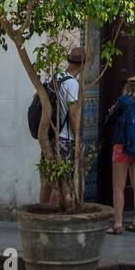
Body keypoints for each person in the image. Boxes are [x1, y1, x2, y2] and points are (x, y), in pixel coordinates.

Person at [105, 73, 135, 233]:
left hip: (122, 146)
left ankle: (118, 224)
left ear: (130, 86)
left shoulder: (123, 102)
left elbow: (109, 120)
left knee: (118, 187)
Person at [38, 45, 85, 205]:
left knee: (47, 179)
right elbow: (73, 114)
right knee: (61, 182)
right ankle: (54, 216)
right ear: (83, 65)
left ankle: (42, 212)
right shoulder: (72, 83)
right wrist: (77, 139)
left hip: (50, 136)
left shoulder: (56, 77)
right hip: (64, 139)